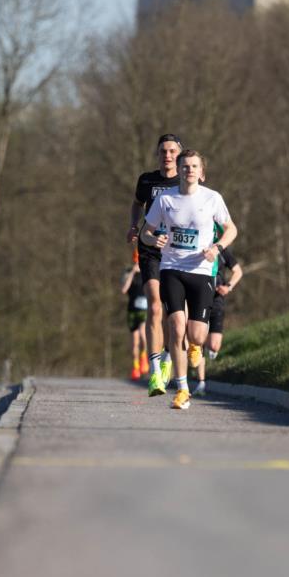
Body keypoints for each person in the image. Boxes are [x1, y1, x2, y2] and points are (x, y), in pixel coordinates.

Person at [140, 149, 237, 410]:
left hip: (202, 271)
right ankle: (182, 390)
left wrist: (217, 248)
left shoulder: (212, 198)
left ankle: (196, 345)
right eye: (185, 166)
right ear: (179, 170)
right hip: (171, 268)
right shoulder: (165, 199)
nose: (189, 170)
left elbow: (231, 229)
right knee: (176, 326)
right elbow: (146, 232)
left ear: (201, 173)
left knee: (196, 334)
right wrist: (153, 239)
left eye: (194, 166)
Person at [126, 134, 183, 396]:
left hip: (178, 253)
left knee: (174, 312)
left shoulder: (185, 180)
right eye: (163, 151)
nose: (167, 155)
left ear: (179, 155)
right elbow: (137, 204)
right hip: (149, 248)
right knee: (155, 306)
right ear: (157, 154)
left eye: (172, 151)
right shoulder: (147, 180)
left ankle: (169, 358)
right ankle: (154, 371)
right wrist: (133, 226)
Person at [193, 231, 243, 396]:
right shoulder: (197, 247)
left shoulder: (223, 251)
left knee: (213, 345)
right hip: (200, 298)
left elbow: (238, 271)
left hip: (217, 300)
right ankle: (201, 382)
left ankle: (209, 349)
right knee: (199, 340)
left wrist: (228, 287)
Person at [120, 250, 149, 380]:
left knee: (143, 335)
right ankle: (136, 366)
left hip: (144, 311)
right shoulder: (128, 272)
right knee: (135, 342)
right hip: (132, 310)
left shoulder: (148, 272)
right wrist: (133, 272)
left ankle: (144, 357)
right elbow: (124, 290)